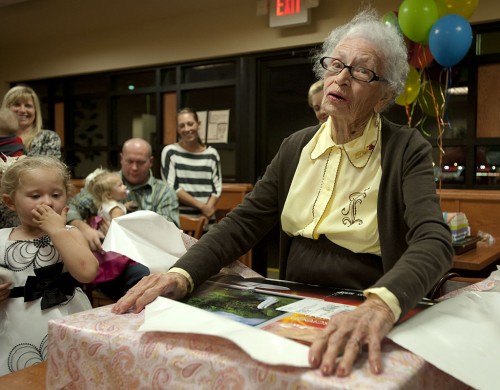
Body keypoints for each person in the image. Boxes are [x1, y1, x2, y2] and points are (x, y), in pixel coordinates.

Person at [113, 9, 453, 378]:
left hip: (367, 304)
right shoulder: (296, 146)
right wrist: (182, 274)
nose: (340, 78)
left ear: (383, 96)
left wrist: (380, 306)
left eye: (361, 72)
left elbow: (434, 241)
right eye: (335, 64)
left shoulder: (405, 148)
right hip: (293, 303)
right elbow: (242, 223)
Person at [0, 156, 98, 375]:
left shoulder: (71, 234)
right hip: (14, 329)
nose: (47, 202)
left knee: (71, 374)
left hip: (66, 321)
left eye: (56, 195)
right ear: (10, 202)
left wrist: (57, 231)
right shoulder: (1, 239)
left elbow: (87, 273)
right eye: (35, 195)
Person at [67, 138, 179, 301]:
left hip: (146, 260)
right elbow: (71, 208)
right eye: (129, 161)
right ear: (121, 158)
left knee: (149, 278)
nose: (134, 167)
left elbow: (169, 232)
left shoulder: (164, 192)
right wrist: (84, 229)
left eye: (140, 162)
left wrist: (123, 228)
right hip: (108, 262)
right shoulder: (105, 184)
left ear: (151, 161)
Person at [161, 108, 222, 225]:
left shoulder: (212, 154)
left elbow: (217, 189)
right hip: (181, 223)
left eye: (190, 124)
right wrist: (203, 208)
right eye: (182, 126)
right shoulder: (170, 152)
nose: (187, 129)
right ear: (178, 129)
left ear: (198, 124)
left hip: (207, 221)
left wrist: (206, 214)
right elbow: (172, 187)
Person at [1, 85, 61, 159]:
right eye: (16, 105)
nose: (22, 110)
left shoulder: (48, 137)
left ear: (35, 110)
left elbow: (52, 169)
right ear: (6, 109)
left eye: (28, 106)